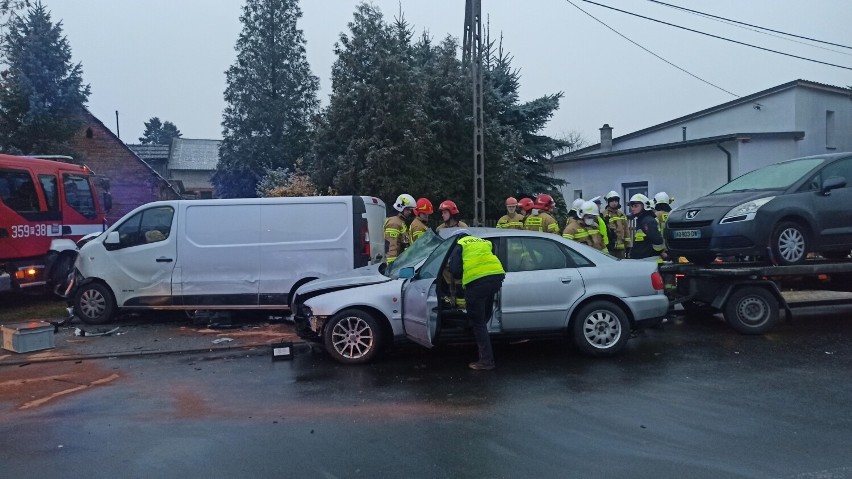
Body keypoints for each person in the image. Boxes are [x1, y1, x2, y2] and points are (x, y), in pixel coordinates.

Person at [447, 229, 505, 371]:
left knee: (478, 322)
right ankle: (477, 331)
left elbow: (454, 270)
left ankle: (486, 361)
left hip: (477, 283)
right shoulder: (483, 242)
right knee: (483, 316)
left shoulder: (459, 243)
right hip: (496, 278)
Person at [628, 194, 667, 260]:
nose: (633, 209)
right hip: (642, 259)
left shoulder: (647, 221)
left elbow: (657, 241)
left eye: (636, 206)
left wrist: (657, 253)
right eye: (632, 206)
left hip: (648, 259)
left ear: (644, 206)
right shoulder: (642, 220)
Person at [384, 193, 416, 264]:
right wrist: (391, 266)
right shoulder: (394, 223)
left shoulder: (400, 221)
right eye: (408, 209)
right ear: (401, 207)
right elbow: (391, 246)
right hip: (394, 264)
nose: (410, 212)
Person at [602, 191, 629, 259]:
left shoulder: (621, 214)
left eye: (616, 201)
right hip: (610, 247)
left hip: (621, 247)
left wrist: (628, 246)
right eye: (612, 201)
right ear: (608, 202)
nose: (614, 203)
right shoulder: (603, 214)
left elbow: (626, 230)